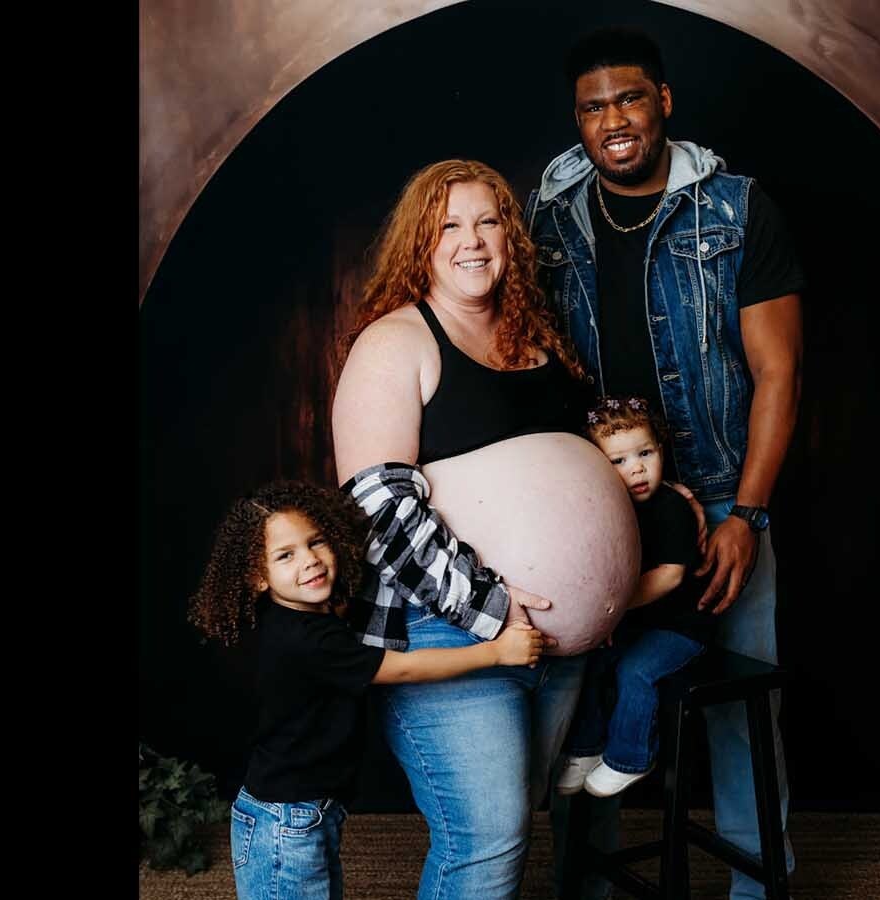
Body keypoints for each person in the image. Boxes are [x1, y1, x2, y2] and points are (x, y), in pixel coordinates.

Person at [527, 26, 806, 900]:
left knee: (739, 714)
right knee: (583, 698)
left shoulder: (737, 209)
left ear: (664, 102)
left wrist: (746, 515)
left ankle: (757, 887)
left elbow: (778, 372)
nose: (613, 120)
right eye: (593, 107)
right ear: (577, 119)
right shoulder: (549, 219)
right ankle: (589, 886)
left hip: (721, 498)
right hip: (595, 507)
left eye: (630, 98)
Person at [330, 158, 636, 898]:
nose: (471, 241)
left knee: (513, 824)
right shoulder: (396, 344)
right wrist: (495, 609)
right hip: (447, 634)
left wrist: (655, 504)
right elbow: (378, 512)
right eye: (448, 226)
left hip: (557, 646)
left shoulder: (537, 338)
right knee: (488, 838)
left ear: (510, 238)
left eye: (488, 221)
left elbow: (584, 464)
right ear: (420, 244)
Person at [187, 479, 545, 900]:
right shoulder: (308, 640)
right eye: (286, 555)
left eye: (316, 542)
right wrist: (496, 653)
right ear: (258, 577)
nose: (310, 560)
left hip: (304, 809)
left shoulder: (300, 617)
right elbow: (403, 669)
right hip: (286, 820)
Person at [556, 395, 714, 799]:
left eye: (645, 453)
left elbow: (670, 577)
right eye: (619, 461)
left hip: (681, 628)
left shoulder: (671, 507)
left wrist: (614, 609)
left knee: (635, 671)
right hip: (637, 624)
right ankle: (586, 749)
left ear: (661, 449)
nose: (637, 468)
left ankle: (631, 758)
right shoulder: (610, 506)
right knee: (591, 661)